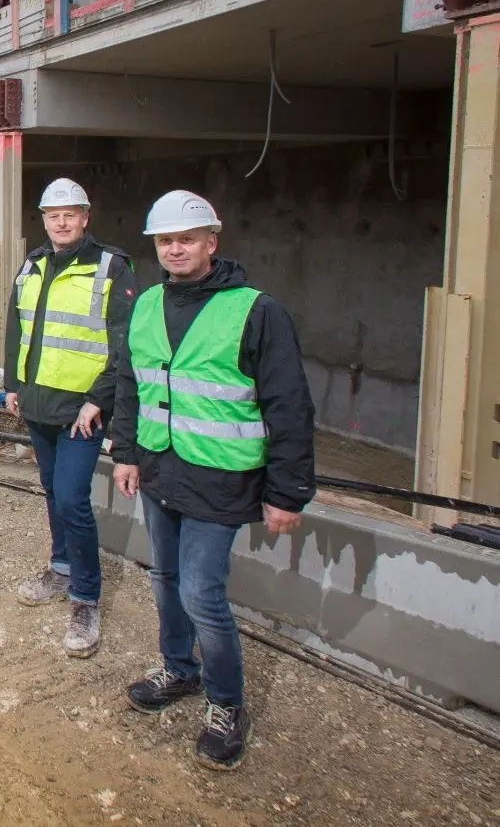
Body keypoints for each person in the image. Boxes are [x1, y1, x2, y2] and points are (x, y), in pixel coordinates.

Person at [111, 190, 315, 772]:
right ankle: (179, 669)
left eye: (187, 239)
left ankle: (226, 704)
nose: (175, 249)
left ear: (211, 243)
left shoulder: (256, 311)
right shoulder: (147, 304)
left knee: (201, 592)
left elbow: (289, 404)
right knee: (165, 578)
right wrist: (126, 454)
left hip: (221, 478)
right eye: (165, 240)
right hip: (160, 468)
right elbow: (130, 384)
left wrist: (287, 491)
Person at [4, 178, 136, 659]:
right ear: (44, 220)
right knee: (52, 490)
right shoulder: (33, 264)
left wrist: (100, 399)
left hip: (83, 412)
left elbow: (125, 342)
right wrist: (13, 384)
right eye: (52, 216)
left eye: (69, 215)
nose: (61, 223)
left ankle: (85, 597)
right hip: (39, 403)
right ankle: (60, 568)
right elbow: (16, 326)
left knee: (73, 498)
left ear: (85, 218)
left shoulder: (111, 267)